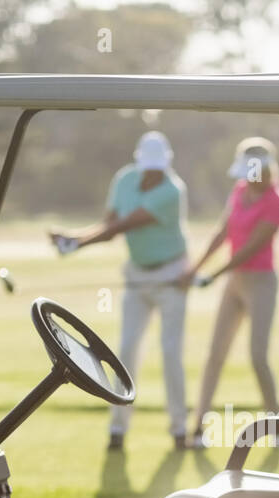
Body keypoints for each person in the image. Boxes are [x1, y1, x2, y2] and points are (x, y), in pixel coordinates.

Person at [50, 131, 190, 450]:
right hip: (137, 275)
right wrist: (75, 239)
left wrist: (74, 242)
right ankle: (118, 429)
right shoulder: (125, 179)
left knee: (170, 354)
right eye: (148, 167)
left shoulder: (172, 190)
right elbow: (108, 224)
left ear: (165, 165)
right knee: (126, 350)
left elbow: (123, 225)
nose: (152, 172)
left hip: (172, 275)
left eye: (157, 167)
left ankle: (180, 430)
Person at [181, 137, 279, 447]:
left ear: (266, 170)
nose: (247, 177)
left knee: (258, 357)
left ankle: (278, 428)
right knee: (215, 355)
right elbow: (223, 231)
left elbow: (253, 246)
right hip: (235, 282)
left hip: (261, 283)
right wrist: (196, 267)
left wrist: (213, 275)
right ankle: (198, 431)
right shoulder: (240, 190)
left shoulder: (278, 201)